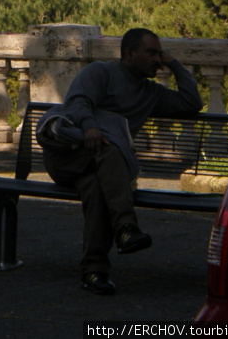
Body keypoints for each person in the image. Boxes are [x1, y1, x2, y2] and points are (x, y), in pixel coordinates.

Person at [37, 28, 203, 296]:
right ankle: (126, 227)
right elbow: (77, 102)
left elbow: (191, 102)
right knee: (110, 151)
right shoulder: (101, 73)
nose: (156, 59)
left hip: (101, 169)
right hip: (68, 157)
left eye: (159, 53)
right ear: (129, 53)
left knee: (96, 189)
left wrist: (174, 63)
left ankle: (94, 272)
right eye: (151, 52)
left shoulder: (151, 93)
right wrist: (90, 127)